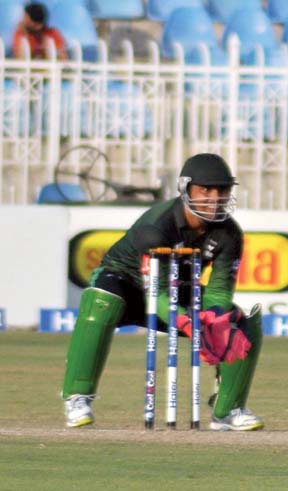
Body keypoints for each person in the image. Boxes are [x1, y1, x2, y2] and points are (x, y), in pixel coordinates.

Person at [62, 153, 266, 429]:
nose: (215, 197)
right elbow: (155, 294)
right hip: (127, 282)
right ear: (185, 188)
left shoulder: (229, 234)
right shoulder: (159, 223)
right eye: (205, 189)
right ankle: (77, 397)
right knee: (102, 302)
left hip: (176, 286)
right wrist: (186, 321)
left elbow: (219, 290)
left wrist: (214, 317)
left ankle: (227, 410)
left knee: (238, 323)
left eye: (222, 189)